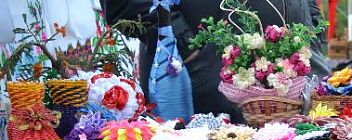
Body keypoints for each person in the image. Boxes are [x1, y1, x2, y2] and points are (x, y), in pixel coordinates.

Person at [103, 0, 330, 120]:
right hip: (206, 92)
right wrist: (186, 44)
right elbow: (125, 4)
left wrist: (313, 28)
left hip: (302, 86)